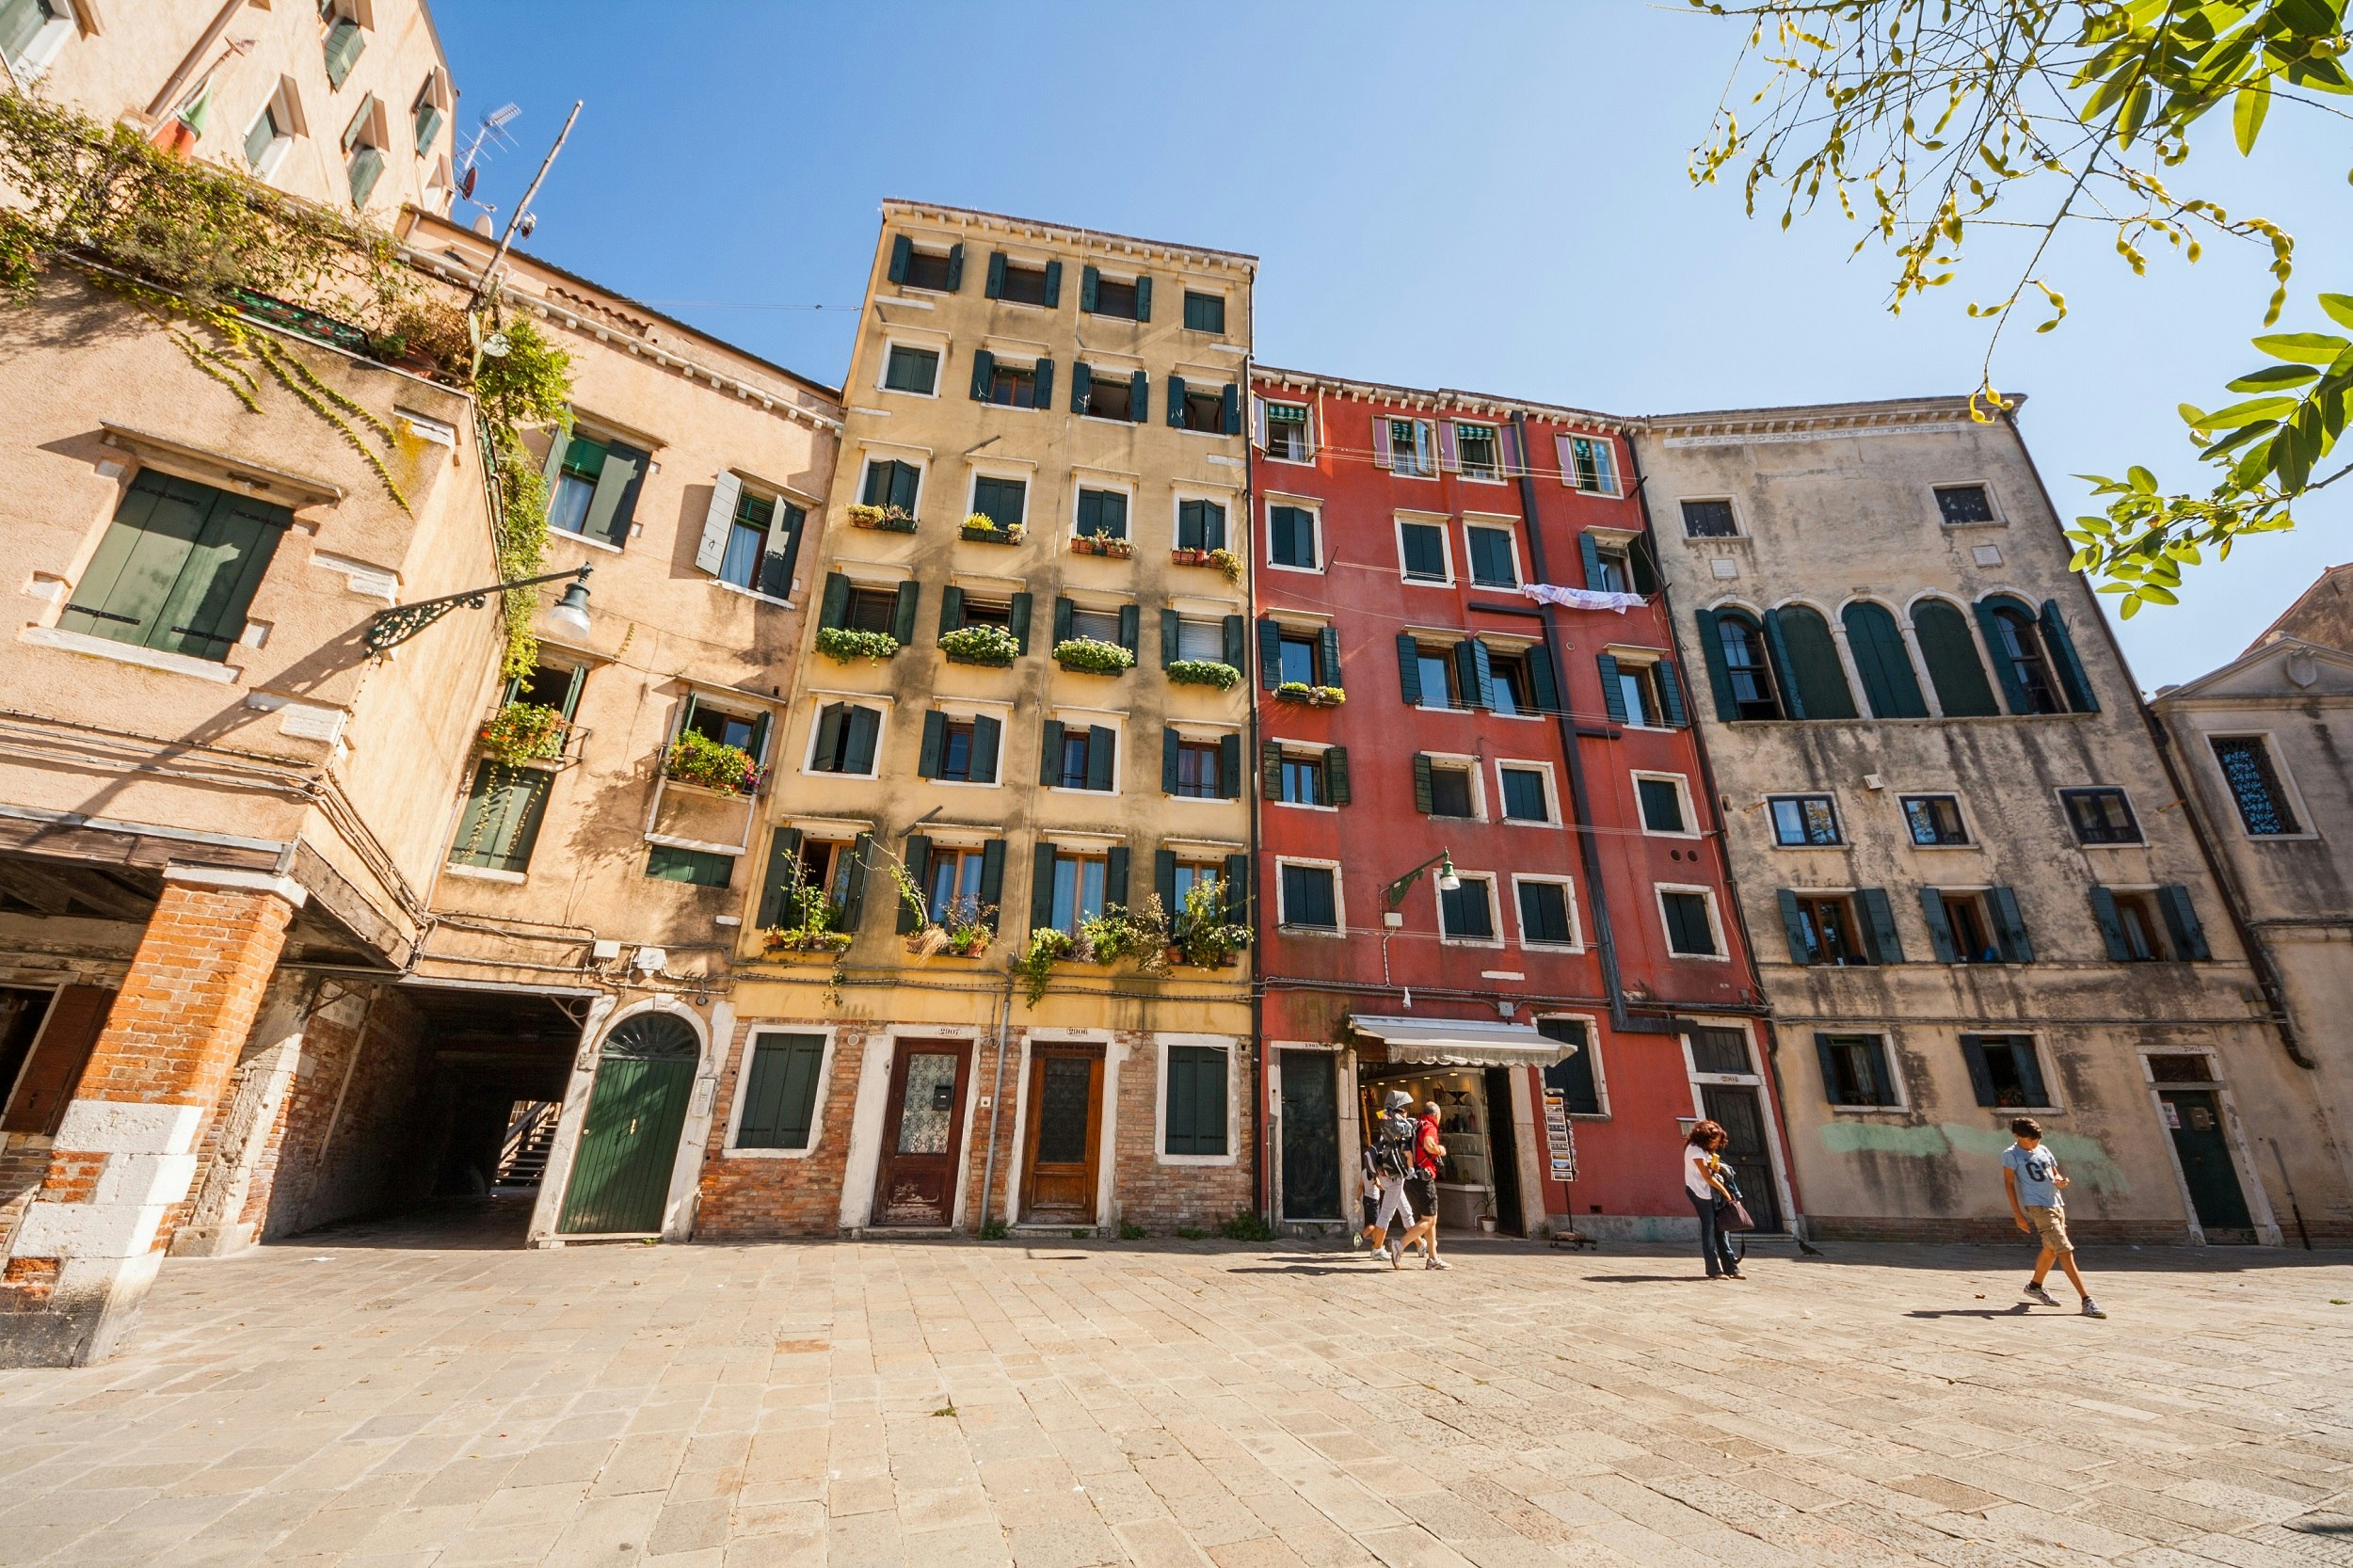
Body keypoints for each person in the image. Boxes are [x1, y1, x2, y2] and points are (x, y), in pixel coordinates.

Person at [2002, 1117, 2105, 1318]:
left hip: (2057, 1204)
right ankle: (2086, 1300)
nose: (2034, 1144)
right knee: (2064, 1250)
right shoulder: (2010, 1155)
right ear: (2017, 1136)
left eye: (2036, 1140)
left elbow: (2055, 1173)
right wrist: (2018, 1214)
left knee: (2051, 1248)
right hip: (2039, 1207)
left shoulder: (2043, 1150)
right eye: (2030, 1140)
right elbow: (2009, 1184)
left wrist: (2061, 1180)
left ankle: (2035, 1286)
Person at [1363, 1091, 1419, 1268]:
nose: (1407, 1113)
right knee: (1387, 1212)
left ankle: (1420, 1244)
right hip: (1395, 1175)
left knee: (1405, 1210)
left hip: (1384, 1172)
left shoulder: (1385, 1122)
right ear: (1401, 1110)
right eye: (1405, 1110)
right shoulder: (1399, 1125)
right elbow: (1406, 1149)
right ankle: (1377, 1248)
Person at [1685, 1120, 1744, 1279]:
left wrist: (1714, 1166)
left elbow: (1709, 1171)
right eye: (1713, 1141)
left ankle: (1731, 1268)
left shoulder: (1704, 1150)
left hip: (1712, 1193)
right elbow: (1706, 1176)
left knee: (1721, 1230)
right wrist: (1726, 1192)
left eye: (1718, 1141)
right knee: (1709, 1230)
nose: (1715, 1144)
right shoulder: (1695, 1151)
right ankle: (1714, 1270)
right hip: (1700, 1193)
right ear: (1703, 1137)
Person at [1401, 1099, 1450, 1271]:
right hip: (1424, 1176)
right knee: (1429, 1219)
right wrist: (1440, 1150)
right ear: (1435, 1115)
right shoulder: (1429, 1127)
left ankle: (1433, 1257)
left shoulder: (1418, 1125)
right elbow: (1430, 1145)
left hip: (1414, 1175)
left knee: (1430, 1218)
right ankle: (1400, 1246)